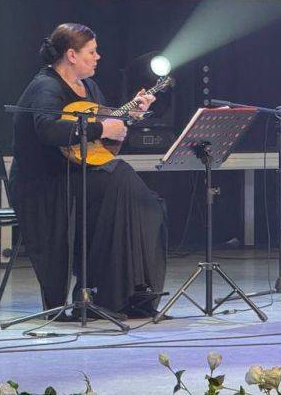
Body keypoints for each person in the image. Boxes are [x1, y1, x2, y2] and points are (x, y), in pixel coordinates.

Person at [9, 23, 168, 318]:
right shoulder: (47, 86)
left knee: (145, 203)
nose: (98, 57)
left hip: (76, 174)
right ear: (71, 55)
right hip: (46, 183)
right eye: (91, 52)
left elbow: (100, 138)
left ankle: (128, 293)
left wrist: (128, 117)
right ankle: (102, 293)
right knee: (121, 179)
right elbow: (48, 129)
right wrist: (101, 126)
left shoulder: (89, 87)